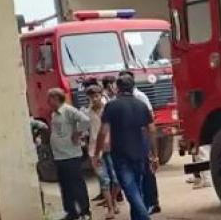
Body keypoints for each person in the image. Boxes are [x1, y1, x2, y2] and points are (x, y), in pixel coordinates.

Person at [96, 74, 159, 220]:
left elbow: (103, 131)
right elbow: (152, 130)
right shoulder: (141, 105)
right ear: (132, 87)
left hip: (120, 153)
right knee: (136, 187)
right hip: (140, 153)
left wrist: (97, 153)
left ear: (117, 88)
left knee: (131, 190)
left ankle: (144, 217)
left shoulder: (111, 105)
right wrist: (154, 155)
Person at [119, 70, 161, 214]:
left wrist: (152, 148)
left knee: (148, 173)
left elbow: (150, 122)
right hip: (132, 142)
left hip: (142, 139)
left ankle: (152, 202)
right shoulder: (121, 100)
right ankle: (145, 204)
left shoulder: (140, 97)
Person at [47, 87, 91, 220]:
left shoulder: (68, 110)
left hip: (70, 154)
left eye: (49, 98)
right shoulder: (54, 113)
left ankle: (85, 211)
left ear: (56, 98)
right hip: (59, 155)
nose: (48, 101)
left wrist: (77, 133)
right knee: (65, 185)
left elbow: (85, 120)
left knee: (76, 184)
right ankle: (71, 211)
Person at [82, 84, 119, 220]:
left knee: (116, 179)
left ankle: (114, 200)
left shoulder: (110, 108)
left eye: (97, 96)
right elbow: (85, 134)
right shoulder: (87, 113)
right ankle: (110, 208)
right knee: (104, 179)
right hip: (95, 151)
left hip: (112, 148)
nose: (95, 99)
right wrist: (89, 152)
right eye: (92, 97)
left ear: (101, 94)